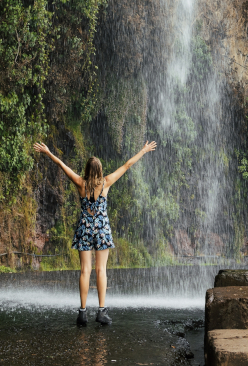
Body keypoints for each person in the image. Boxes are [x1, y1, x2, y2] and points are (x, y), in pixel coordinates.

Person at [33, 140, 158, 326]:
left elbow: (61, 165)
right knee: (101, 270)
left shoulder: (79, 182)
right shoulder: (106, 183)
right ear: (99, 170)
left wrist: (48, 153)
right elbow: (127, 165)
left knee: (85, 270)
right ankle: (101, 312)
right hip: (101, 229)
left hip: (84, 227)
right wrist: (144, 150)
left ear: (86, 169)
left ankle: (82, 313)